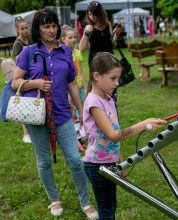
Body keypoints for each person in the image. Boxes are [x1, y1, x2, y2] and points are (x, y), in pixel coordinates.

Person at [11, 9, 98, 219]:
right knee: (43, 161)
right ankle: (55, 199)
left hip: (62, 114)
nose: (51, 30)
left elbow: (71, 83)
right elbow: (14, 82)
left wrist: (80, 108)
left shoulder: (66, 52)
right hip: (37, 115)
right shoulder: (28, 52)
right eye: (46, 26)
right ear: (37, 29)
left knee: (76, 160)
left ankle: (85, 201)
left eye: (53, 26)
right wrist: (35, 83)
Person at [83, 52, 167, 219]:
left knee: (111, 206)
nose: (117, 83)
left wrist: (118, 158)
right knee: (106, 211)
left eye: (118, 78)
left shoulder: (107, 98)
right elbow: (114, 135)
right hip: (96, 166)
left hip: (108, 162)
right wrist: (143, 125)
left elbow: (110, 134)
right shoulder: (94, 103)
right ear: (97, 76)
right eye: (113, 78)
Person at [61, 25, 88, 152]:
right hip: (68, 88)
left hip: (80, 87)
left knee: (80, 110)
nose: (73, 40)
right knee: (72, 113)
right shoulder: (61, 54)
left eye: (74, 37)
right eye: (70, 37)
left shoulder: (77, 53)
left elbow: (81, 71)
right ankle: (74, 137)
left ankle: (81, 135)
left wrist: (85, 86)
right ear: (63, 39)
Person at [12, 16, 32, 143]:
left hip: (33, 75)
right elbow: (17, 62)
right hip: (23, 77)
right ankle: (26, 134)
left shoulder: (31, 40)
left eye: (26, 28)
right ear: (17, 30)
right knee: (24, 104)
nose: (25, 30)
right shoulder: (18, 44)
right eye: (22, 28)